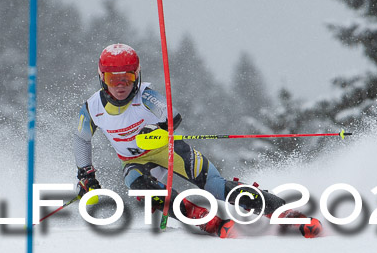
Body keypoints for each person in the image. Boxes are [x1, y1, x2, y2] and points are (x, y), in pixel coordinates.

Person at [72, 43, 321, 238]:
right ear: (102, 78)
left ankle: (283, 212)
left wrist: (158, 127)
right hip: (135, 160)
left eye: (126, 78)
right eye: (112, 79)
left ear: (137, 75)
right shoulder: (92, 108)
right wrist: (86, 174)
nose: (120, 86)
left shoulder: (145, 95)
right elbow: (82, 140)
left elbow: (172, 115)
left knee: (214, 185)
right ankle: (204, 219)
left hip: (167, 149)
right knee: (139, 186)